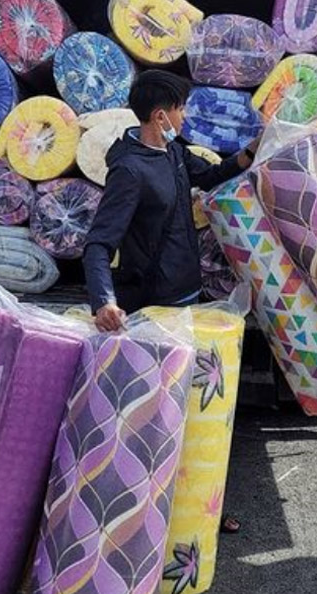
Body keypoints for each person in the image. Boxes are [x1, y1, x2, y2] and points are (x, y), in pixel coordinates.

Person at [82, 69, 255, 533]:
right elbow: (98, 243)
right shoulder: (130, 171)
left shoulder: (173, 153)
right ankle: (140, 516)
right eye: (181, 108)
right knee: (155, 420)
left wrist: (248, 155)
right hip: (154, 311)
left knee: (194, 415)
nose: (186, 115)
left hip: (186, 299)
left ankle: (197, 514)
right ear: (162, 115)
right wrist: (104, 300)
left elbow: (212, 173)